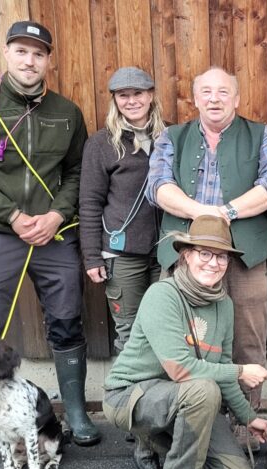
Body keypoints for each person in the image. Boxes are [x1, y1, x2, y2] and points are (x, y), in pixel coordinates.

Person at [0, 21, 99, 463]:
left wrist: (56, 215)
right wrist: (11, 215)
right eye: (22, 51)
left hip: (52, 233)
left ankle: (75, 413)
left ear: (49, 60)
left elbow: (77, 172)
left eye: (39, 53)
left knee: (67, 320)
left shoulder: (67, 112)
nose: (30, 61)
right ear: (7, 53)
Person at [146, 67, 267, 444]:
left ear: (236, 99)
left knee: (247, 341)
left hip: (244, 256)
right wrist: (201, 213)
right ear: (195, 99)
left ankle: (244, 427)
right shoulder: (171, 137)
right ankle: (177, 427)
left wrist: (227, 213)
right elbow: (157, 187)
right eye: (206, 92)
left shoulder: (263, 135)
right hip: (183, 256)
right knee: (176, 341)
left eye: (223, 92)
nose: (214, 98)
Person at [103, 215, 267, 469]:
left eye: (221, 256)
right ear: (186, 256)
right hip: (130, 395)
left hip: (183, 397)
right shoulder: (162, 295)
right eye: (204, 253)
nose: (213, 263)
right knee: (203, 390)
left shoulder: (224, 305)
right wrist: (241, 371)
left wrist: (249, 418)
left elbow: (221, 365)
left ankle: (159, 440)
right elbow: (180, 369)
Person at [80, 66, 165, 353]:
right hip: (122, 255)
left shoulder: (171, 136)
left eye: (138, 93)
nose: (132, 101)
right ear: (115, 100)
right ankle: (127, 384)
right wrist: (92, 257)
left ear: (150, 95)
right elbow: (89, 203)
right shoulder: (101, 144)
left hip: (167, 252)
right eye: (123, 95)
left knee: (166, 329)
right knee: (130, 334)